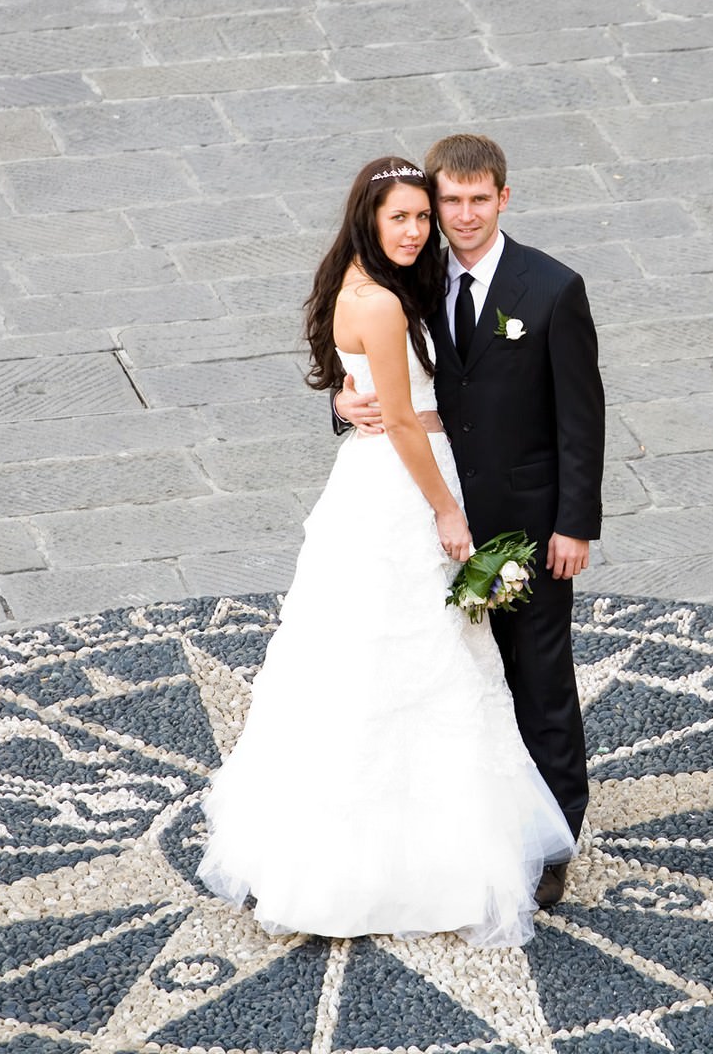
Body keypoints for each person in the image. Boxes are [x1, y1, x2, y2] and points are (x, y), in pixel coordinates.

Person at [198, 155, 576, 947]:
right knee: (404, 665)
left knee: (436, 662)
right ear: (369, 220)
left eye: (420, 216)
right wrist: (444, 509)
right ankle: (405, 861)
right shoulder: (382, 299)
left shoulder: (408, 283)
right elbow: (401, 420)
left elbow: (375, 384)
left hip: (417, 483)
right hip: (407, 492)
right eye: (400, 217)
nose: (416, 229)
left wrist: (346, 395)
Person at [336, 133, 605, 908]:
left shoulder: (552, 290)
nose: (459, 217)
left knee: (538, 677)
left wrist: (573, 526)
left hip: (526, 524)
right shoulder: (409, 275)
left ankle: (555, 838)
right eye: (447, 201)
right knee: (453, 677)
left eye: (477, 200)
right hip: (431, 519)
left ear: (504, 199)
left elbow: (580, 421)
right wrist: (340, 402)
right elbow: (370, 361)